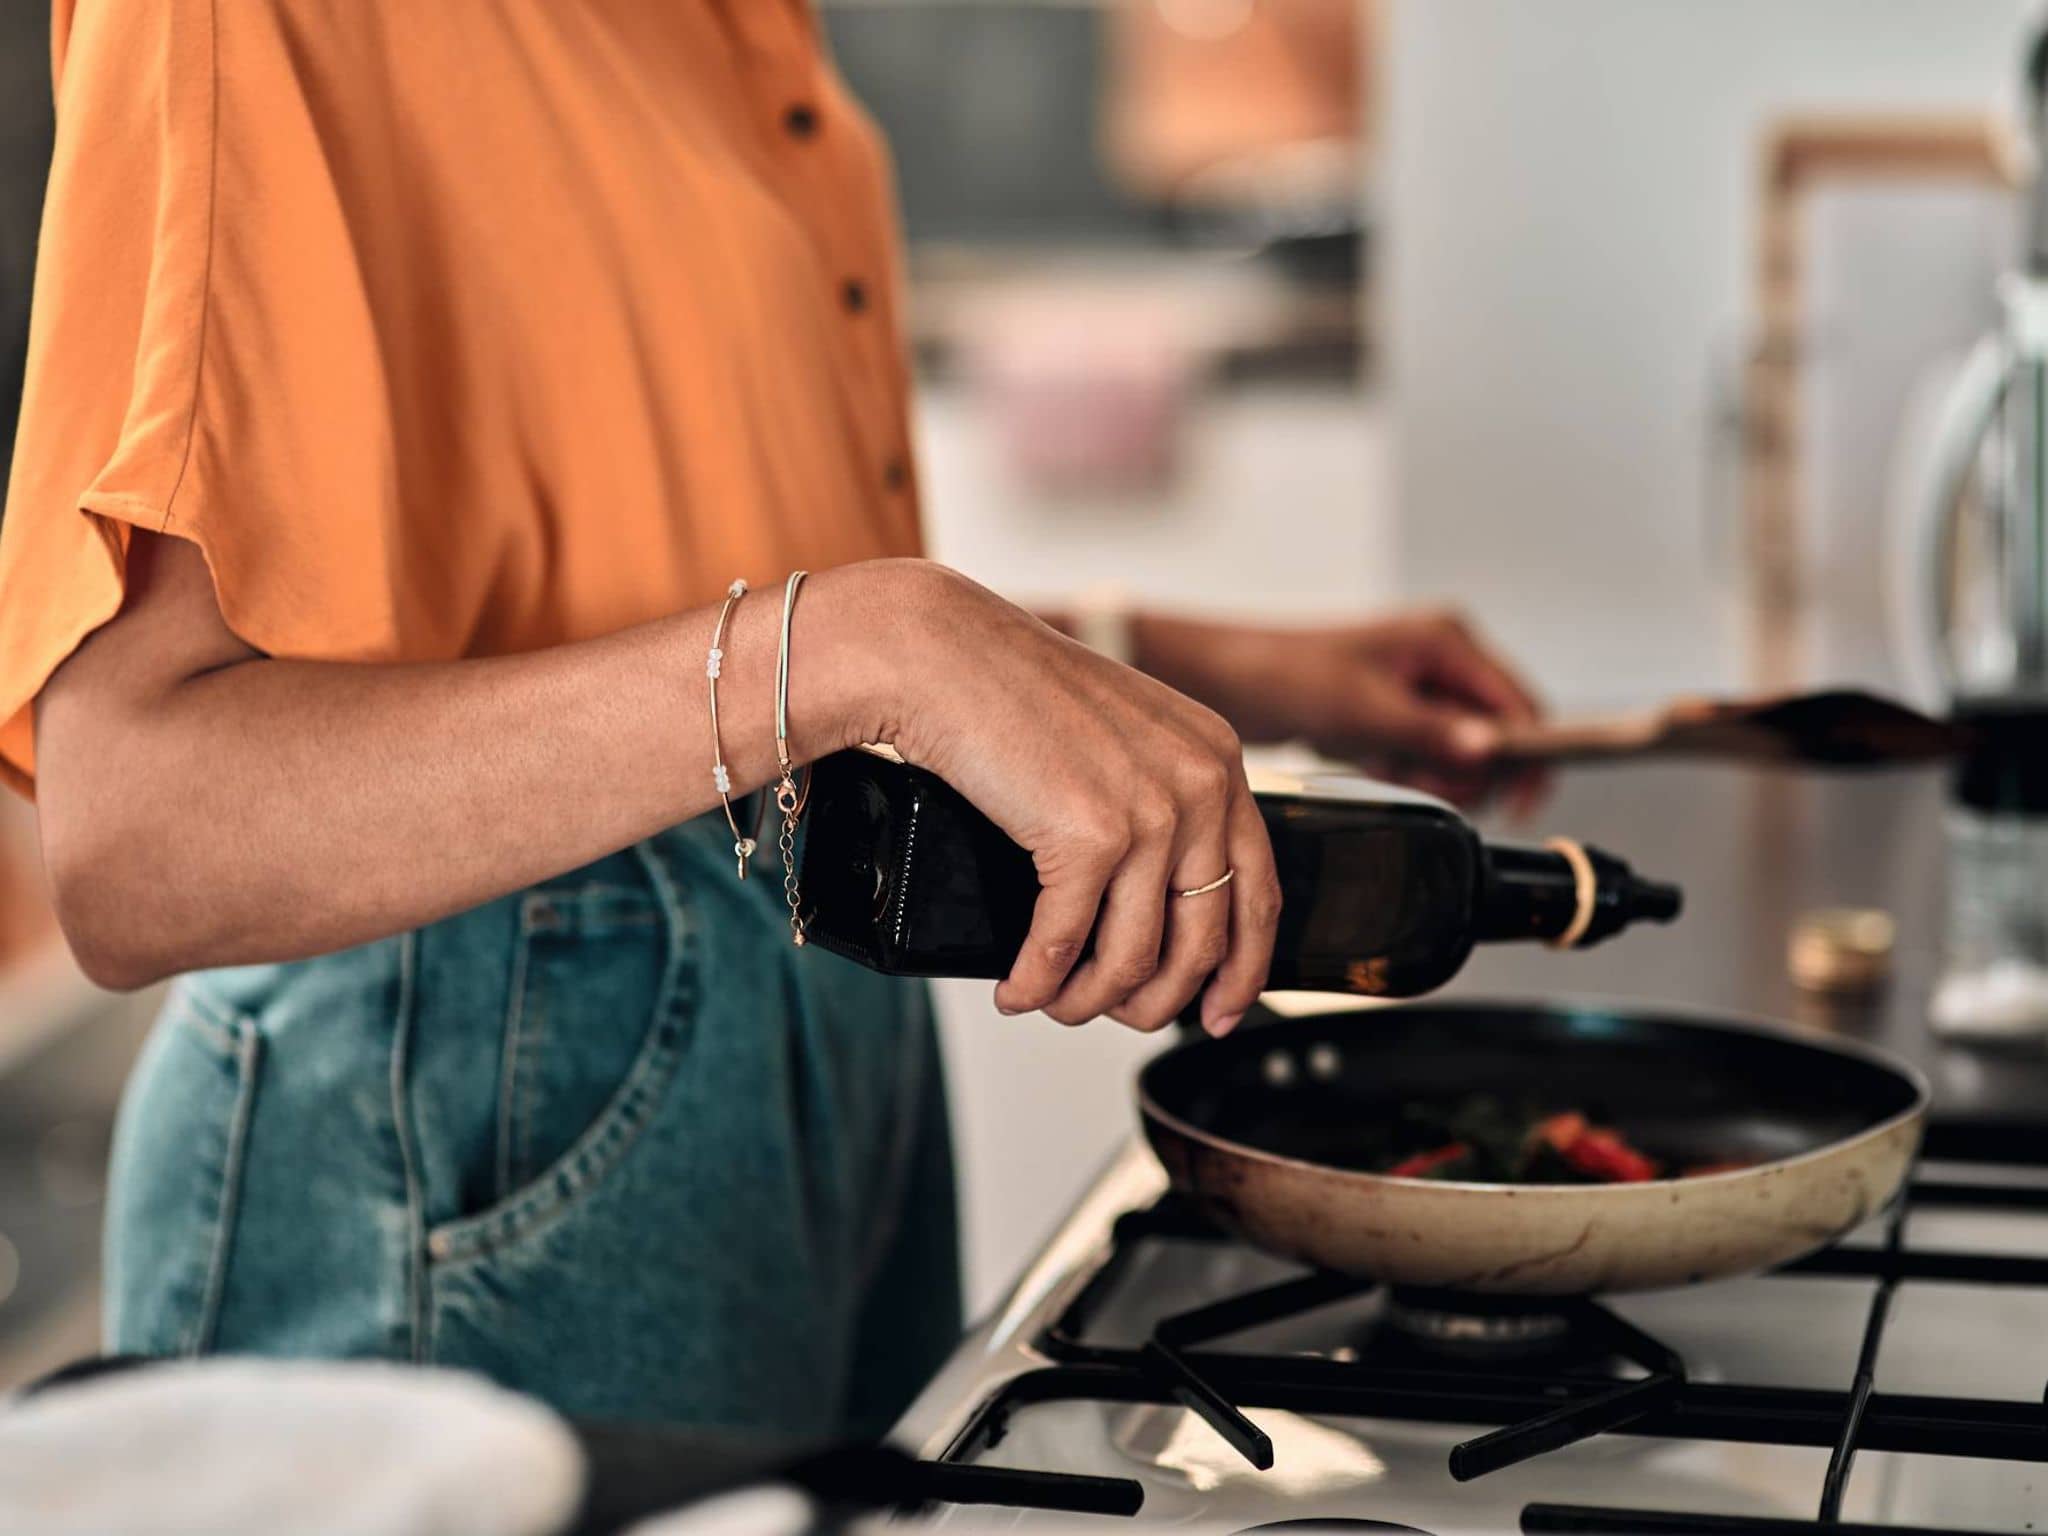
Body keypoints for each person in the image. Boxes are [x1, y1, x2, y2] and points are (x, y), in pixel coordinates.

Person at [0, 1, 1543, 1438]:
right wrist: (880, 643)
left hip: (802, 1045)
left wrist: (1189, 663)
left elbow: (710, 611)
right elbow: (138, 832)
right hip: (471, 1131)